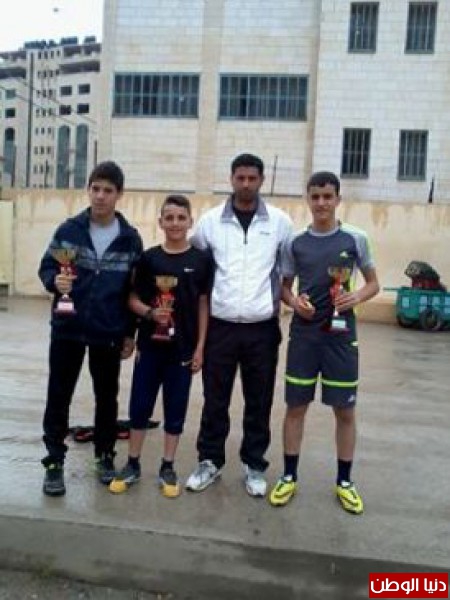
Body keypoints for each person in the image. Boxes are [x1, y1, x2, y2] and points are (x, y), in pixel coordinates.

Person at [269, 171, 380, 514]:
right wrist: (294, 302)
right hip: (305, 338)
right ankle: (289, 476)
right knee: (296, 408)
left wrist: (356, 296)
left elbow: (373, 283)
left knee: (345, 411)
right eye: (315, 197)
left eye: (327, 196)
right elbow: (284, 288)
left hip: (342, 339)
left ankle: (344, 481)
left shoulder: (356, 238)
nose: (321, 203)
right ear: (308, 199)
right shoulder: (295, 242)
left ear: (337, 199)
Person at [185, 153, 293, 498]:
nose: (246, 184)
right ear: (231, 179)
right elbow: (198, 266)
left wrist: (288, 301)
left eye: (252, 178)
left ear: (261, 180)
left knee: (259, 400)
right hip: (221, 326)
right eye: (240, 178)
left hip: (262, 328)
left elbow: (287, 270)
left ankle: (254, 464)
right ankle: (210, 461)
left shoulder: (280, 222)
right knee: (215, 398)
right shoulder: (210, 222)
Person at [38, 161, 143, 497]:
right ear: (89, 190)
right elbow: (47, 267)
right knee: (59, 395)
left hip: (107, 331)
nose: (100, 196)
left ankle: (104, 456)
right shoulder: (69, 230)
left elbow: (134, 290)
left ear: (119, 194)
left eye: (108, 190)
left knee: (106, 398)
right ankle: (54, 462)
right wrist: (54, 281)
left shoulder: (130, 239)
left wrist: (130, 333)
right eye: (95, 188)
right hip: (67, 328)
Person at [109, 195, 211, 498]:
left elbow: (204, 305)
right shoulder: (149, 259)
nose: (175, 223)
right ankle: (132, 463)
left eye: (181, 218)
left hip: (183, 350)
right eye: (169, 218)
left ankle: (168, 466)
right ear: (160, 222)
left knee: (175, 409)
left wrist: (200, 347)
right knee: (140, 406)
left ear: (190, 221)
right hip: (150, 348)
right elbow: (132, 299)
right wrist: (151, 313)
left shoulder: (201, 260)